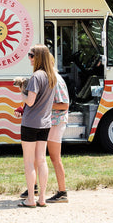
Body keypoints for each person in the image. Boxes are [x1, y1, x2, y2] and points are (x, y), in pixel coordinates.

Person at [14, 44, 57, 208]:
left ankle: (31, 198)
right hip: (45, 123)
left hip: (30, 123)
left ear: (38, 57)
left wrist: (21, 90)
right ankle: (42, 198)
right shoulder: (51, 75)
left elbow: (30, 101)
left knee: (29, 162)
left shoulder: (36, 76)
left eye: (31, 55)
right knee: (41, 160)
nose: (29, 58)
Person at [45, 72, 70, 203]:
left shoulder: (55, 80)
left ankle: (62, 192)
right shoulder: (49, 78)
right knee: (39, 156)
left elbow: (65, 105)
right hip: (50, 122)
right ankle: (35, 188)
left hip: (56, 122)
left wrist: (44, 105)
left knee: (55, 158)